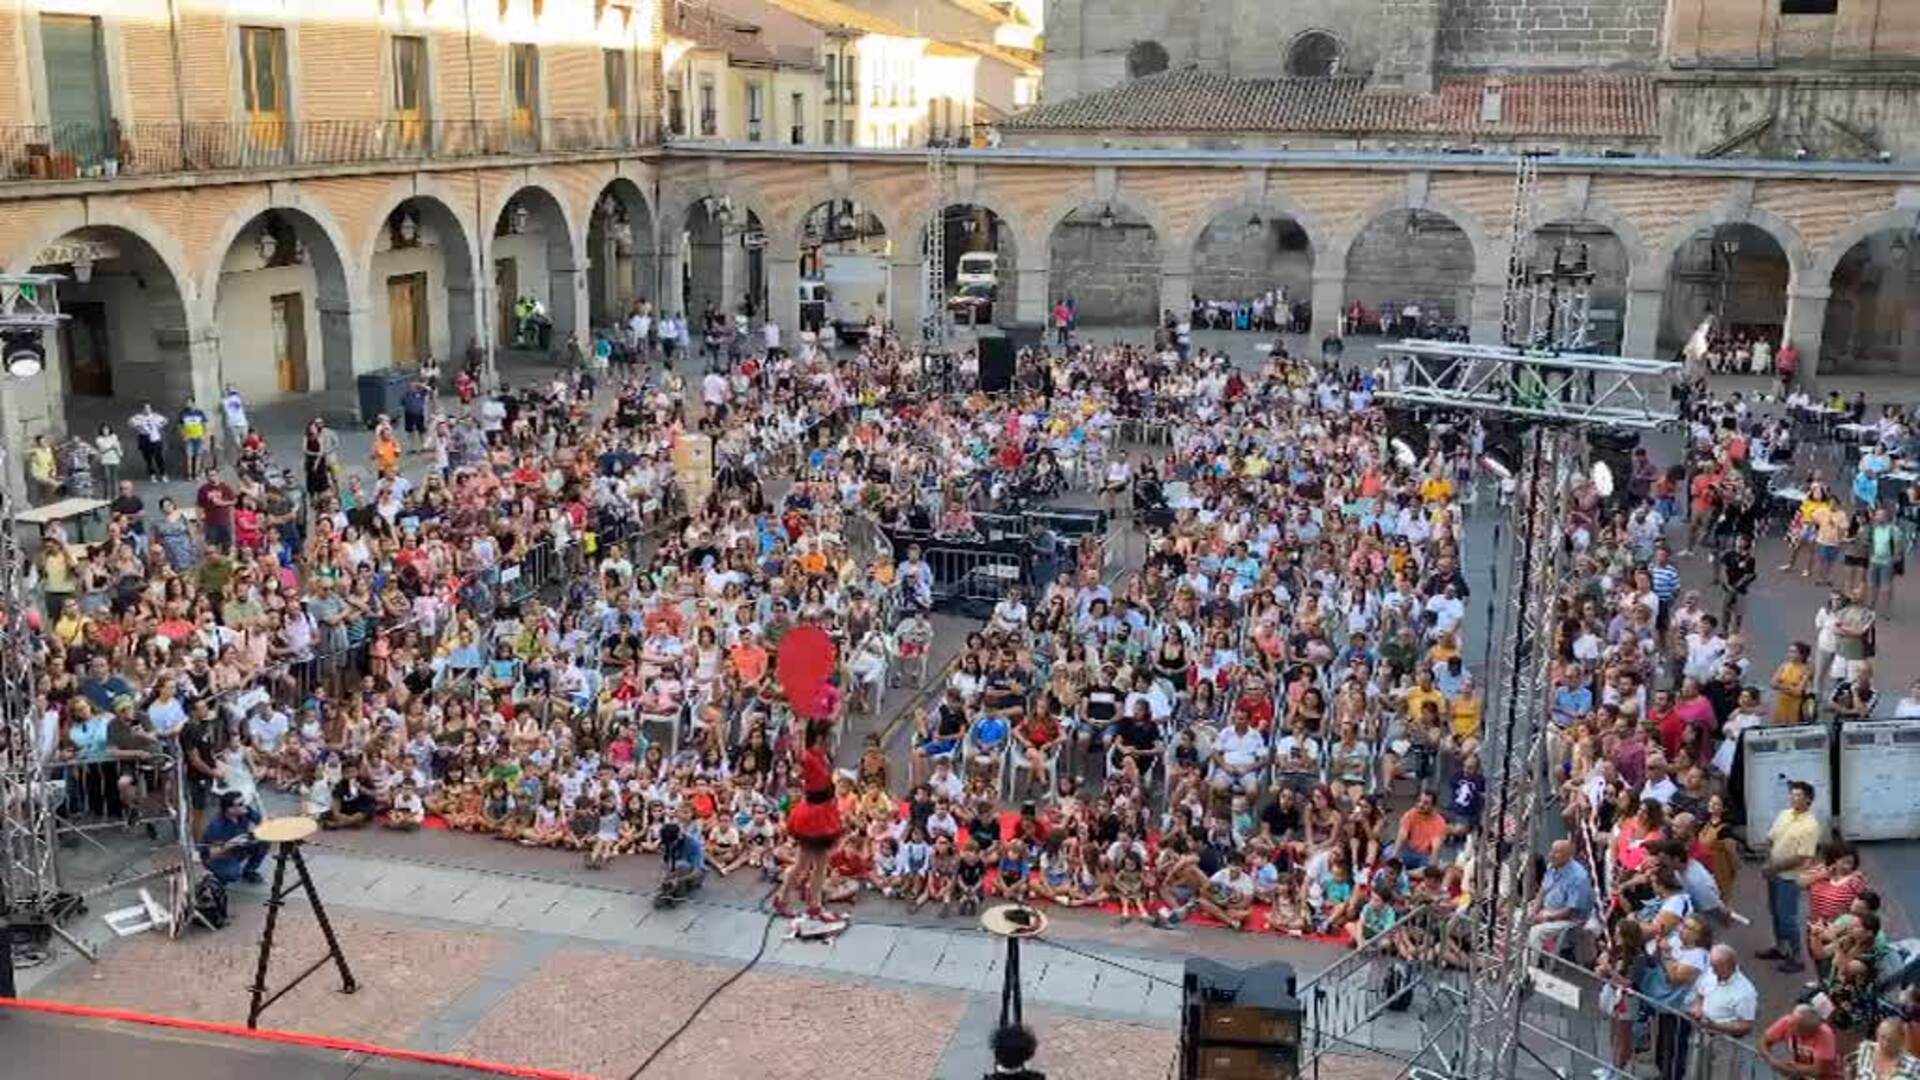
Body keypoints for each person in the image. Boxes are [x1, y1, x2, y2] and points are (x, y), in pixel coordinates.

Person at [777, 721, 844, 923]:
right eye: (827, 738)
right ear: (820, 739)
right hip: (813, 816)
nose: (831, 741)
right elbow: (799, 758)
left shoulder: (822, 756)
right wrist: (799, 733)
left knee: (818, 863)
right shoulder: (808, 756)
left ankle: (810, 903)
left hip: (823, 812)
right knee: (803, 864)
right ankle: (790, 900)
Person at [1761, 780, 1822, 974]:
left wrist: (1775, 867)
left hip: (1789, 877)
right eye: (1792, 795)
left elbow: (1802, 856)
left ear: (1808, 800)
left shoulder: (1811, 825)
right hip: (1774, 872)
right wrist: (1768, 862)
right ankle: (1780, 948)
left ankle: (1797, 957)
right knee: (1775, 913)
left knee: (1788, 917)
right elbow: (1770, 839)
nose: (1793, 798)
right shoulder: (1784, 815)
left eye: (1798, 795)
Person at [1527, 838, 1594, 951]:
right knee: (1521, 916)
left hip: (1569, 919)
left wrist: (1546, 917)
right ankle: (1518, 958)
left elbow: (1571, 911)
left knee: (1536, 932)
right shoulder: (1552, 866)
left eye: (1556, 852)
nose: (1551, 855)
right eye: (1552, 851)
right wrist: (1534, 912)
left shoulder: (1578, 877)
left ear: (1567, 856)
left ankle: (1532, 965)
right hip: (1548, 909)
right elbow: (1542, 892)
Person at [201, 789, 267, 885]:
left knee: (264, 840)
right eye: (240, 804)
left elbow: (262, 822)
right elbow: (212, 853)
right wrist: (232, 843)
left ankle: (249, 871)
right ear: (230, 809)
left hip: (239, 846)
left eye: (244, 802)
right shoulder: (217, 826)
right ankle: (213, 877)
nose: (244, 806)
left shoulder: (245, 811)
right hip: (221, 855)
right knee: (231, 874)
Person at [129, 401, 168, 481]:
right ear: (142, 409)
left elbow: (165, 421)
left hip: (155, 437)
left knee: (159, 457)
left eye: (149, 408)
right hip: (144, 437)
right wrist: (138, 426)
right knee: (148, 458)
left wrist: (159, 426)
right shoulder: (138, 417)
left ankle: (163, 474)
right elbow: (130, 423)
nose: (147, 410)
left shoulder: (155, 416)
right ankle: (152, 474)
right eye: (145, 408)